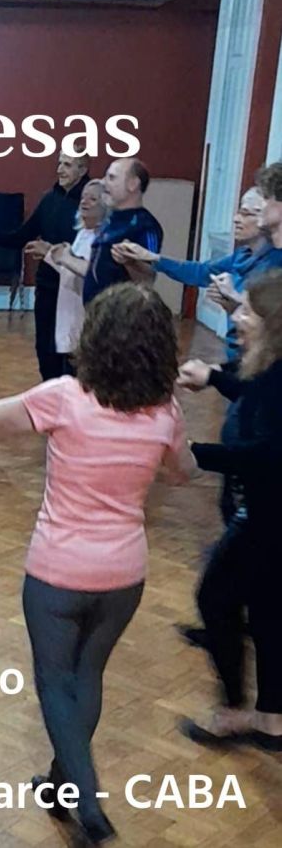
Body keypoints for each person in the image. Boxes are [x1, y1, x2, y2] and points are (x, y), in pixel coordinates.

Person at [0, 283, 193, 844]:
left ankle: (88, 804)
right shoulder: (166, 412)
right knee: (87, 676)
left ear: (96, 338)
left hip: (57, 573)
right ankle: (63, 786)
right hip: (125, 575)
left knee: (55, 680)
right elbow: (183, 472)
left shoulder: (65, 397)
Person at [177, 271, 282, 752]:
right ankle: (269, 720)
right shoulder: (271, 370)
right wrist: (215, 377)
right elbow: (256, 392)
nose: (237, 316)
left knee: (217, 596)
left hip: (270, 518)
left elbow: (265, 455)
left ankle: (240, 711)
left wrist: (194, 454)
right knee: (266, 611)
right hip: (266, 512)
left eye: (248, 312)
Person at [115, 186, 282, 359]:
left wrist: (234, 299)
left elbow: (271, 321)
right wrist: (150, 257)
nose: (236, 219)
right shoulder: (241, 255)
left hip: (259, 356)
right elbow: (200, 271)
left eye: (245, 213)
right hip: (236, 352)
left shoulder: (276, 264)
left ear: (266, 217)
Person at [0, 152, 90, 380]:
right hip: (47, 287)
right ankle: (50, 395)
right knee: (45, 351)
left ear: (82, 170)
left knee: (73, 354)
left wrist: (51, 251)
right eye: (59, 164)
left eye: (67, 165)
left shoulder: (89, 204)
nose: (60, 170)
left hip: (75, 291)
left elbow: (87, 252)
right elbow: (24, 234)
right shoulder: (49, 199)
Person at [42, 178, 109, 370]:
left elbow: (94, 273)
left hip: (87, 317)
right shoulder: (82, 234)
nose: (84, 202)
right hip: (69, 314)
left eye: (93, 199)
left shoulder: (104, 238)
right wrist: (48, 253)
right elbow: (70, 271)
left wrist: (64, 257)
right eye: (83, 197)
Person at [84, 158, 163, 305]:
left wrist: (130, 262)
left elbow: (148, 278)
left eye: (112, 177)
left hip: (120, 312)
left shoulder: (145, 225)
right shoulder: (109, 220)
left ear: (133, 184)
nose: (104, 183)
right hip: (95, 310)